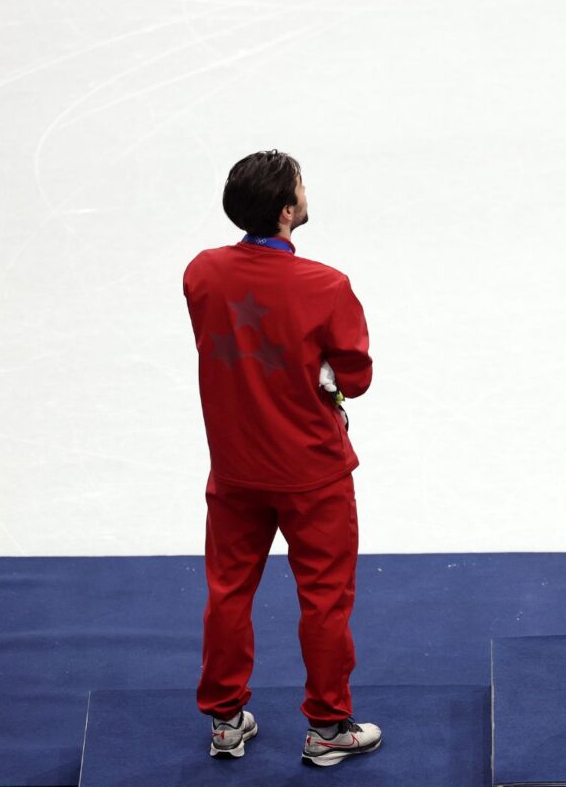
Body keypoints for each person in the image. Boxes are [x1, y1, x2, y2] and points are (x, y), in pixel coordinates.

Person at [183, 150, 381, 766]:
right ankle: (327, 728)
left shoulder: (202, 273)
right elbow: (357, 374)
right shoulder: (325, 285)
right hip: (312, 472)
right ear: (288, 209)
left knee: (228, 592)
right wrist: (325, 375)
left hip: (236, 468)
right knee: (324, 598)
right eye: (300, 186)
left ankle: (224, 718)